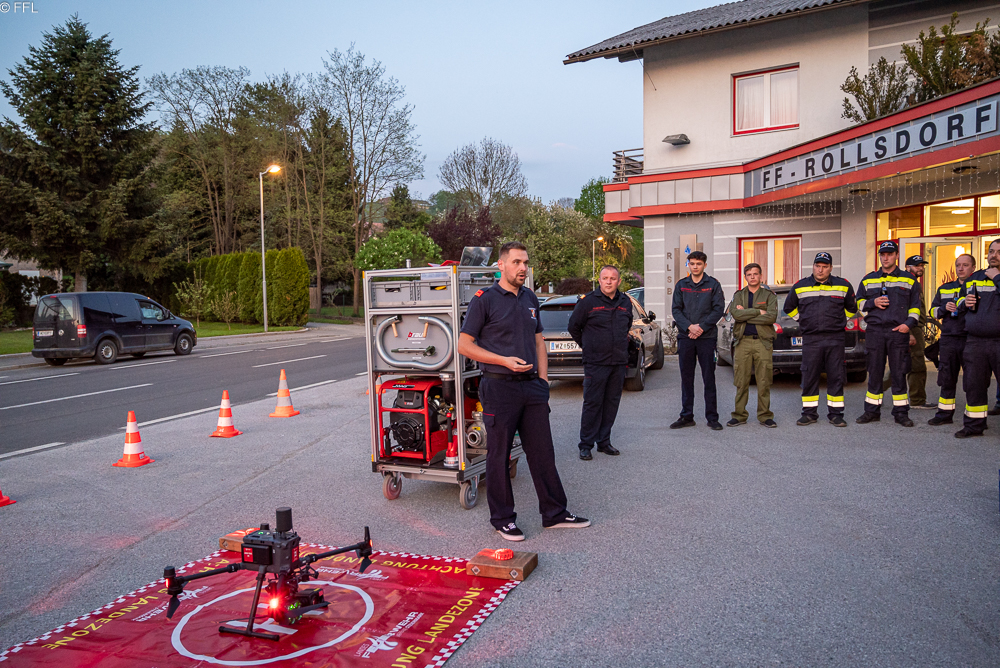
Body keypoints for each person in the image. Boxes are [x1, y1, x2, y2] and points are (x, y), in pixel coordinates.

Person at [458, 241, 590, 540]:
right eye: (517, 262)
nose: (523, 268)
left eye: (526, 263)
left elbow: (539, 341)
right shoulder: (485, 300)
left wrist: (543, 381)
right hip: (499, 387)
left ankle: (554, 513)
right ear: (501, 265)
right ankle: (502, 519)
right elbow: (464, 345)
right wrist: (503, 360)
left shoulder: (530, 297)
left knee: (543, 453)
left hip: (532, 388)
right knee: (499, 455)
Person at [784, 252, 859, 427]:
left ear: (831, 268)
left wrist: (841, 321)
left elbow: (851, 308)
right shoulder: (800, 286)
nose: (820, 270)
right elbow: (789, 307)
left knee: (836, 375)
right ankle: (809, 414)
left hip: (835, 338)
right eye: (818, 266)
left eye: (825, 267)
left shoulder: (843, 285)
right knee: (810, 375)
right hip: (811, 338)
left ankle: (836, 414)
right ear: (813, 266)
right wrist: (802, 320)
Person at [855, 241, 921, 427]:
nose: (885, 258)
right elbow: (858, 302)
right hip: (875, 331)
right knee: (874, 372)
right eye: (882, 254)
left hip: (898, 331)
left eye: (889, 254)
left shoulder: (909, 279)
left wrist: (908, 325)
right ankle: (871, 411)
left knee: (899, 373)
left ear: (897, 256)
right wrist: (872, 303)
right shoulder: (868, 279)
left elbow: (916, 307)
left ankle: (901, 413)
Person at [568, 265, 630, 460]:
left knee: (611, 403)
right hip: (596, 363)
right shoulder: (588, 302)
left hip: (618, 362)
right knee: (592, 403)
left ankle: (604, 442)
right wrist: (588, 346)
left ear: (619, 281)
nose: (609, 281)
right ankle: (586, 444)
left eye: (613, 278)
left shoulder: (625, 302)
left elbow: (626, 326)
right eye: (605, 278)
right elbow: (573, 327)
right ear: (599, 280)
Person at [670, 250, 725, 431]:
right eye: (692, 263)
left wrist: (701, 327)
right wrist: (689, 327)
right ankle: (687, 416)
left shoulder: (713, 285)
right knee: (686, 378)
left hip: (706, 338)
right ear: (688, 264)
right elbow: (676, 310)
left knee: (709, 378)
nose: (695, 267)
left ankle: (712, 417)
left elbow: (718, 309)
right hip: (686, 337)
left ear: (704, 265)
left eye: (698, 264)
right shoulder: (681, 285)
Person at [955, 239, 1000, 438]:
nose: (993, 255)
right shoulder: (975, 277)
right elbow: (959, 299)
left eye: (998, 252)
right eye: (991, 251)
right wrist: (964, 301)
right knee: (974, 385)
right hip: (975, 341)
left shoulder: (996, 277)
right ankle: (974, 426)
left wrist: (997, 278)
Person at [726, 263, 778, 428]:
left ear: (760, 276)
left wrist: (745, 313)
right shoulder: (739, 295)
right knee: (741, 380)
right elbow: (736, 314)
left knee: (764, 380)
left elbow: (771, 317)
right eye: (749, 274)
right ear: (745, 277)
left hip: (763, 342)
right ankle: (739, 415)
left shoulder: (769, 295)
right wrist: (757, 311)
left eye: (755, 274)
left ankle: (765, 416)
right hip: (743, 342)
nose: (752, 277)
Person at [927, 253, 975, 426]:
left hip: (970, 339)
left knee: (972, 381)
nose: (960, 268)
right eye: (958, 265)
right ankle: (944, 415)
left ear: (973, 268)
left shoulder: (977, 287)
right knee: (947, 378)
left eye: (965, 265)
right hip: (948, 339)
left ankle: (973, 418)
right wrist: (943, 308)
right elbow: (932, 312)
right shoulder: (945, 288)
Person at [903, 255, 936, 409]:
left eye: (922, 265)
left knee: (902, 364)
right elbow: (903, 310)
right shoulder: (907, 284)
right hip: (912, 329)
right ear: (907, 267)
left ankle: (876, 391)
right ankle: (917, 400)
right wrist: (909, 332)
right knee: (917, 365)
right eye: (917, 265)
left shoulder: (914, 283)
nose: (920, 268)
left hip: (914, 328)